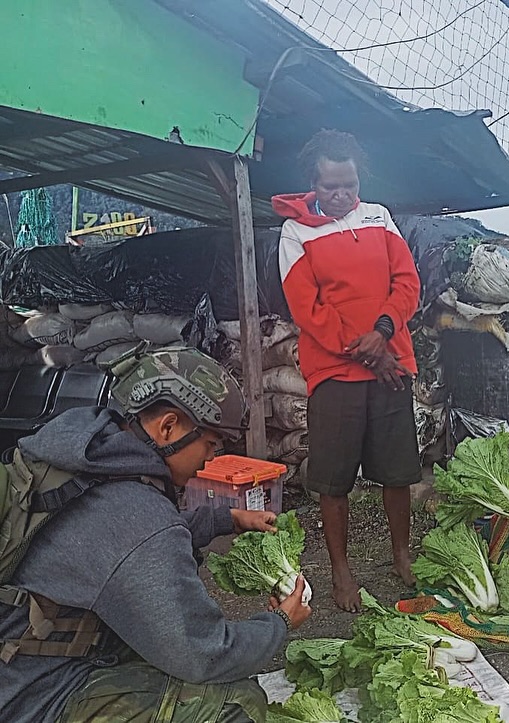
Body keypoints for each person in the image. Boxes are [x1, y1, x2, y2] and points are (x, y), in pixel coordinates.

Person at [0, 347, 312, 723]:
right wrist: (279, 625)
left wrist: (225, 518)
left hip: (17, 660)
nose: (210, 459)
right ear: (168, 427)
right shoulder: (137, 516)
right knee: (233, 702)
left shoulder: (84, 454)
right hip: (35, 697)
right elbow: (204, 654)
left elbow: (114, 540)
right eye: (211, 444)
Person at [274, 129, 421, 613]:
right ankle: (341, 570)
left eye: (349, 185)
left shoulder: (379, 217)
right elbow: (308, 309)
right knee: (334, 480)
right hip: (337, 374)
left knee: (397, 471)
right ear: (312, 183)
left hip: (391, 364)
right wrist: (370, 352)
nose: (341, 195)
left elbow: (406, 282)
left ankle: (401, 554)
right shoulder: (296, 232)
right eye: (330, 186)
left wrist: (383, 332)